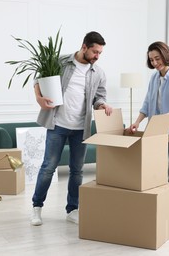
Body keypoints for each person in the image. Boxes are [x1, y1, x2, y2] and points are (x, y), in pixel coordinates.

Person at [31, 31, 112, 226]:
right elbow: (38, 78)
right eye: (94, 51)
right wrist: (39, 98)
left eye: (100, 53)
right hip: (57, 124)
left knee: (77, 171)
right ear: (84, 47)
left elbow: (99, 97)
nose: (97, 56)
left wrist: (102, 105)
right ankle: (37, 207)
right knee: (48, 168)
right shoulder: (61, 62)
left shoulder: (98, 73)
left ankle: (72, 209)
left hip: (80, 129)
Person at [127, 41, 169, 223]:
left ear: (165, 55)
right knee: (155, 171)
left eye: (157, 58)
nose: (155, 63)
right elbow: (147, 104)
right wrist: (137, 123)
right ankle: (159, 209)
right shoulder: (154, 78)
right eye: (151, 60)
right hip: (159, 132)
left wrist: (165, 119)